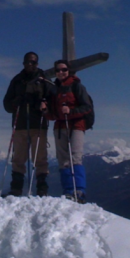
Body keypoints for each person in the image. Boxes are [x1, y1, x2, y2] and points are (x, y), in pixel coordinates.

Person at [2, 52, 54, 197]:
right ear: (24, 63)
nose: (30, 65)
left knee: (40, 158)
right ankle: (16, 188)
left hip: (38, 124)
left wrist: (43, 103)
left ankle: (42, 189)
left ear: (37, 63)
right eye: (28, 62)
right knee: (18, 158)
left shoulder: (44, 80)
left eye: (33, 62)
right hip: (20, 125)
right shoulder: (17, 81)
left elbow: (52, 100)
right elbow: (6, 104)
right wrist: (15, 103)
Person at [45, 60, 92, 203]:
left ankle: (79, 190)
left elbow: (87, 107)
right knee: (63, 159)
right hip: (60, 127)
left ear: (68, 70)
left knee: (75, 157)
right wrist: (45, 110)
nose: (61, 72)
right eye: (58, 70)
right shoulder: (54, 90)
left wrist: (70, 111)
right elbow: (53, 115)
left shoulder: (77, 86)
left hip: (76, 125)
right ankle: (68, 190)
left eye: (64, 70)